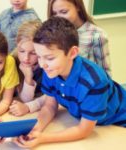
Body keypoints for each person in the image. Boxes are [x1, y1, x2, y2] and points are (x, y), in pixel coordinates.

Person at [13, 17, 126, 148]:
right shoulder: (51, 70)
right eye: (39, 56)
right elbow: (50, 106)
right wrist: (35, 130)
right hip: (97, 124)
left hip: (119, 121)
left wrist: (43, 138)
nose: (42, 64)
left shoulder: (95, 82)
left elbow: (84, 130)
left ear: (72, 53)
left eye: (49, 58)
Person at [48, 0, 111, 75]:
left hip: (86, 85)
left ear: (77, 7)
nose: (59, 18)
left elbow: (105, 73)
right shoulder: (52, 32)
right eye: (54, 13)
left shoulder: (97, 35)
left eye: (64, 12)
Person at [9, 21, 45, 117]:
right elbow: (26, 99)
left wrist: (28, 107)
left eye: (33, 53)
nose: (26, 58)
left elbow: (53, 97)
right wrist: (28, 78)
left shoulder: (47, 65)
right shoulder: (12, 61)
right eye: (21, 51)